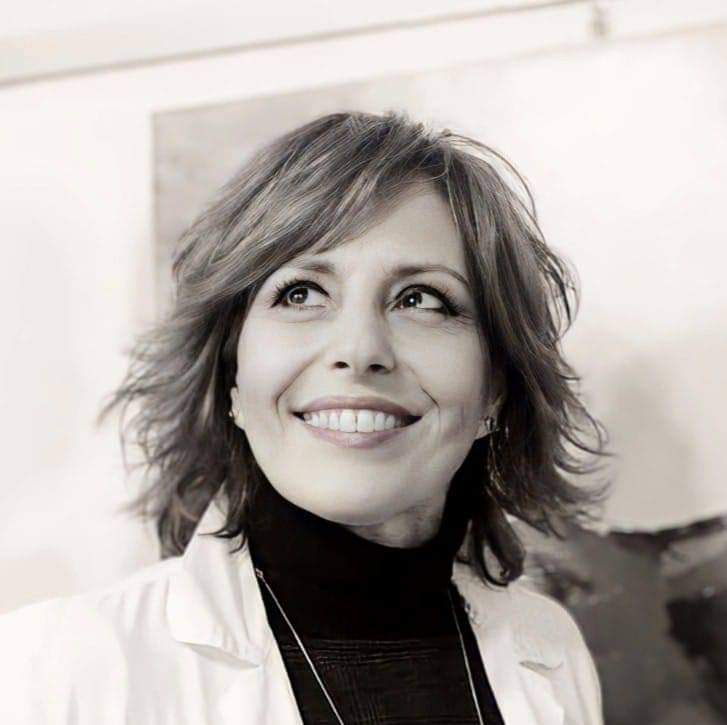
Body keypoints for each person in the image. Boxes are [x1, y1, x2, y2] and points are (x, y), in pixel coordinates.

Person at [0, 110, 608, 724]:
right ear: (233, 377)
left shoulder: (553, 652)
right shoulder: (55, 669)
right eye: (301, 293)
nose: (360, 350)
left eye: (420, 299)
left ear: (495, 391)